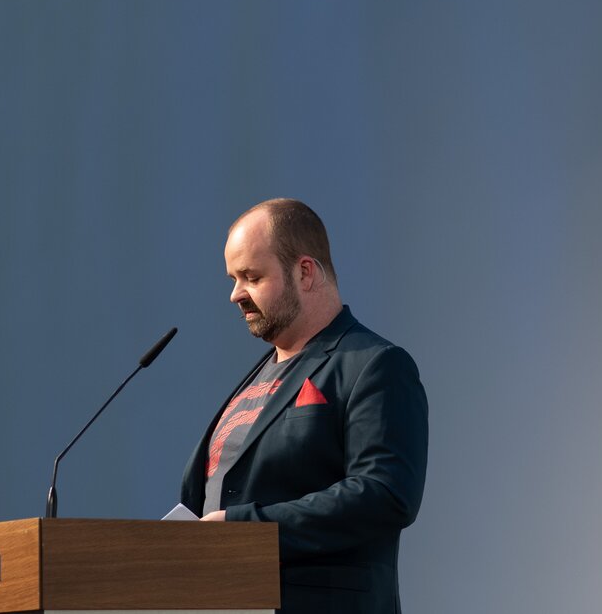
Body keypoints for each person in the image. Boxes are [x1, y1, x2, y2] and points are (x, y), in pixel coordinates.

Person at [180, 198, 428, 614]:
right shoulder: (253, 380)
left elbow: (385, 494)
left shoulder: (374, 365)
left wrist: (245, 529)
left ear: (305, 272)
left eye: (251, 276)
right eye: (233, 278)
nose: (235, 294)